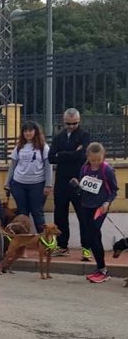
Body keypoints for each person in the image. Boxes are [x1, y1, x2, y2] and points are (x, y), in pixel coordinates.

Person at [49, 108, 90, 260]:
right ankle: (62, 246)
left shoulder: (84, 135)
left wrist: (62, 154)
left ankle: (86, 248)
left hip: (79, 181)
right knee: (60, 214)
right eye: (68, 123)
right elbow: (51, 158)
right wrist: (73, 153)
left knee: (83, 215)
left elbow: (83, 154)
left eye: (75, 123)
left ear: (79, 121)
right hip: (61, 181)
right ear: (63, 121)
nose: (71, 126)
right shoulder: (58, 137)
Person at [74, 142, 118, 283]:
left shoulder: (107, 170)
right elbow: (83, 186)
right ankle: (100, 268)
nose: (96, 162)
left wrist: (107, 203)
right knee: (92, 236)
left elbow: (114, 190)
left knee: (93, 235)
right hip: (86, 206)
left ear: (103, 156)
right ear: (88, 157)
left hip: (100, 207)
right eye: (93, 160)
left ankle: (103, 270)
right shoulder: (84, 168)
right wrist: (77, 186)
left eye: (99, 159)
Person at [5, 121, 53, 233]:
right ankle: (23, 240)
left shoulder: (43, 147)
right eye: (25, 131)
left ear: (35, 132)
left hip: (37, 185)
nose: (28, 133)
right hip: (18, 184)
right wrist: (7, 182)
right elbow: (13, 166)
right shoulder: (19, 147)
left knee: (37, 212)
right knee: (22, 213)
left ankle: (43, 240)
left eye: (30, 130)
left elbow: (48, 166)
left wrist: (48, 185)